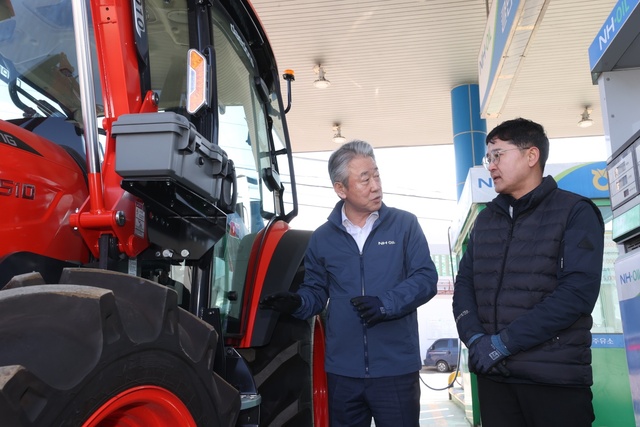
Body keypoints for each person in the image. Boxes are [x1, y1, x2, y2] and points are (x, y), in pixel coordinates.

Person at [261, 140, 438, 427]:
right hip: (343, 373)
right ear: (340, 189)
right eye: (365, 179)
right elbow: (316, 293)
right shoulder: (322, 238)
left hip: (395, 370)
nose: (376, 186)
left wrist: (385, 304)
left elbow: (426, 278)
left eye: (377, 175)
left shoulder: (405, 225)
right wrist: (297, 302)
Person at [452, 118, 605, 427]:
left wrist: (502, 344)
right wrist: (477, 340)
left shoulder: (575, 211)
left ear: (531, 155)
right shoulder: (486, 221)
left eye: (498, 155)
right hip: (495, 380)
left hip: (553, 380)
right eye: (488, 157)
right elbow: (464, 286)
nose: (491, 166)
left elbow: (576, 294)